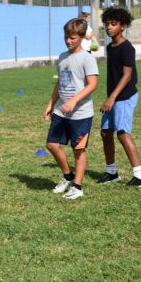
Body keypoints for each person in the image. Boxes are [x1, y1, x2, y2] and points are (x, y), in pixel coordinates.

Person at [44, 18, 99, 200]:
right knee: (52, 145)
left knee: (78, 150)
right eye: (66, 37)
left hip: (81, 114)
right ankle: (67, 176)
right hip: (61, 110)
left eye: (73, 38)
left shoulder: (87, 58)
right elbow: (60, 82)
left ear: (82, 37)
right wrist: (51, 104)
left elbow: (92, 85)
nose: (68, 41)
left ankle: (77, 186)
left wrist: (74, 101)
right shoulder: (62, 57)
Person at [97, 7, 141, 187]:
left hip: (124, 96)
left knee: (122, 133)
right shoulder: (110, 47)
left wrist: (111, 97)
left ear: (123, 26)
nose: (109, 27)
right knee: (105, 132)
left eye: (113, 24)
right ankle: (112, 172)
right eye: (107, 24)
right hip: (113, 97)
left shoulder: (127, 48)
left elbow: (127, 76)